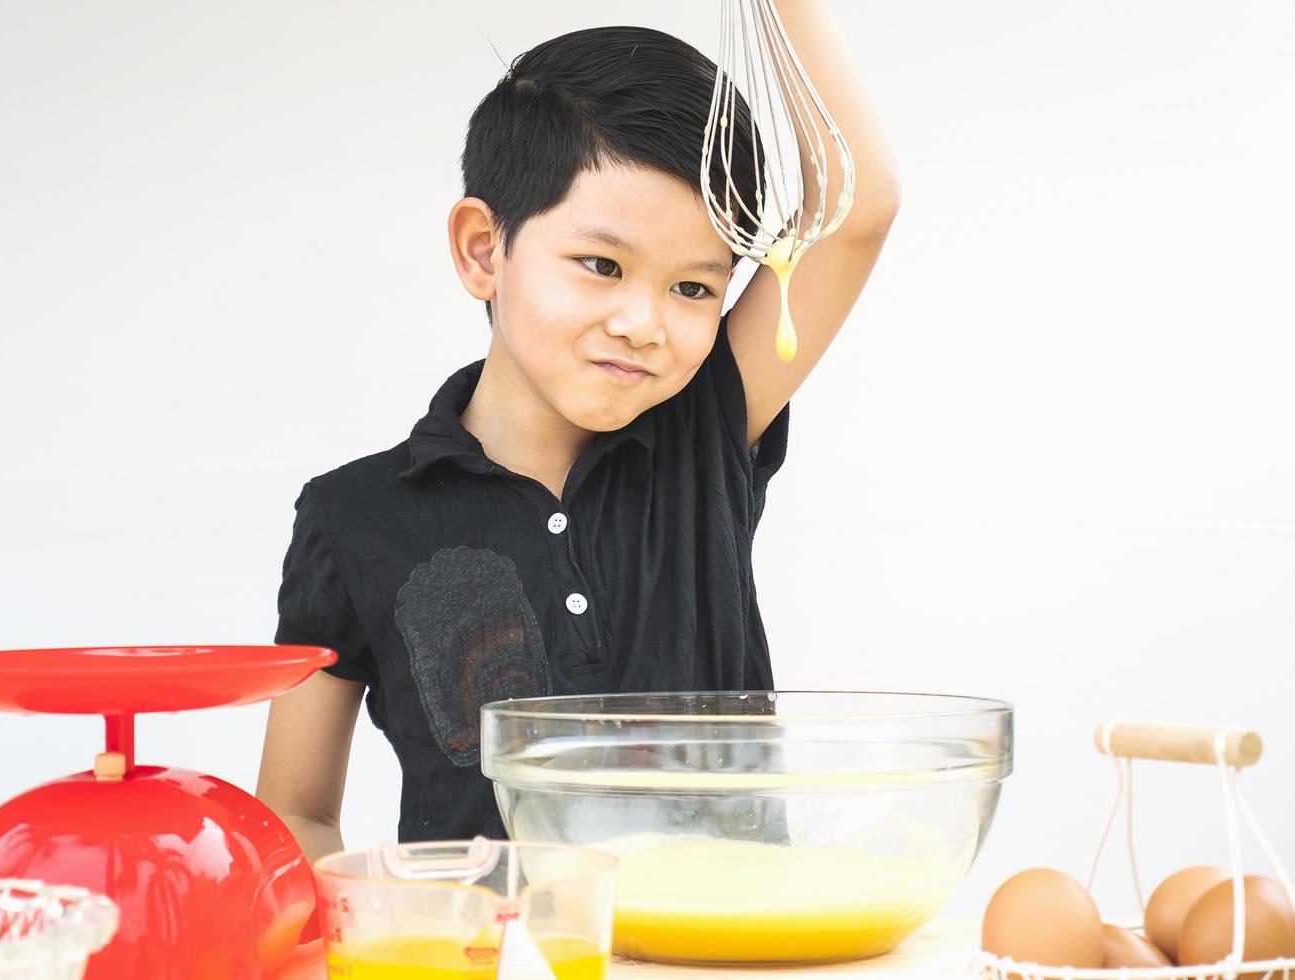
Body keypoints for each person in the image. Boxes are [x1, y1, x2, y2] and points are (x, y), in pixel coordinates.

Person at [256, 2, 899, 864]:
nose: (645, 323)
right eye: (602, 266)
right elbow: (295, 813)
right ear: (484, 248)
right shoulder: (353, 516)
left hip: (724, 956)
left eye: (694, 288)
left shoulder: (704, 431)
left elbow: (858, 210)